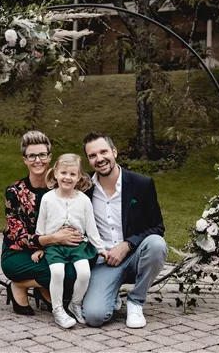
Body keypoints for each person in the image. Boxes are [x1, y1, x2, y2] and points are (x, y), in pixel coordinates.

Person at [82, 131, 168, 328]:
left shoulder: (141, 184)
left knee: (157, 245)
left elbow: (157, 227)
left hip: (135, 254)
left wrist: (127, 245)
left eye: (104, 152)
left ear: (114, 152)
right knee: (94, 317)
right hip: (103, 261)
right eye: (93, 155)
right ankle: (111, 297)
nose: (99, 159)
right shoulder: (84, 188)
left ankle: (135, 301)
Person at [1, 131, 84, 315]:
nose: (37, 160)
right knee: (61, 274)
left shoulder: (62, 187)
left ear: (50, 157)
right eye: (32, 155)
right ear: (25, 160)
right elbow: (20, 237)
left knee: (77, 272)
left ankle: (35, 286)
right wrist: (54, 238)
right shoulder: (14, 192)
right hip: (19, 251)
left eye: (42, 155)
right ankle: (20, 285)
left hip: (55, 252)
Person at [34, 154, 108, 328]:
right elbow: (41, 225)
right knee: (57, 273)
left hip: (78, 246)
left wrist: (100, 248)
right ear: (56, 174)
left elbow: (91, 228)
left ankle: (75, 304)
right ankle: (58, 309)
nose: (67, 177)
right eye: (64, 173)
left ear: (79, 177)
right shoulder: (48, 198)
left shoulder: (83, 200)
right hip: (54, 247)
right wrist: (40, 247)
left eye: (72, 174)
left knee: (84, 273)